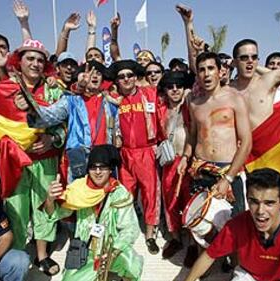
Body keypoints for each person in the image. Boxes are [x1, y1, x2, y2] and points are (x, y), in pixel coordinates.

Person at [0, 39, 65, 276]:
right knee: (16, 210)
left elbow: (65, 124)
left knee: (45, 207)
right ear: (18, 62)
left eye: (40, 59)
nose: (36, 63)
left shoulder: (54, 90)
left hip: (46, 159)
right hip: (14, 162)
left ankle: (42, 256)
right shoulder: (4, 89)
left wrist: (53, 139)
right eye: (30, 58)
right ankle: (18, 257)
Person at [177, 52, 252, 268]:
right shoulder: (195, 103)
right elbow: (193, 134)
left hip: (227, 171)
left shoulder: (234, 98)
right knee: (201, 222)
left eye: (211, 68)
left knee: (234, 223)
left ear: (220, 71)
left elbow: (246, 142)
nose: (206, 73)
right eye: (201, 69)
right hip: (201, 169)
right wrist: (185, 156)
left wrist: (228, 178)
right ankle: (206, 265)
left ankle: (236, 270)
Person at [43, 145, 142, 281]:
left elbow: (130, 229)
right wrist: (50, 199)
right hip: (86, 253)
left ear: (110, 170)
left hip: (112, 250)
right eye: (93, 167)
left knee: (131, 263)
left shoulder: (120, 193)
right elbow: (55, 214)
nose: (97, 172)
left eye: (102, 167)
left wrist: (113, 252)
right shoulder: (78, 189)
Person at [19, 60, 119, 182]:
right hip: (79, 159)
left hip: (103, 160)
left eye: (98, 73)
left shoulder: (111, 104)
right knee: (77, 198)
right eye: (89, 73)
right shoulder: (71, 100)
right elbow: (50, 115)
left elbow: (117, 131)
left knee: (104, 198)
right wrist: (30, 107)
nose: (94, 76)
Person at [109, 59, 165, 254]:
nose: (126, 79)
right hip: (124, 154)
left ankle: (150, 235)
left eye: (130, 75)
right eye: (121, 76)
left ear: (136, 77)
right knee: (125, 196)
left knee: (150, 194)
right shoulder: (114, 99)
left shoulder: (150, 93)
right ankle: (127, 230)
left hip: (147, 152)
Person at [157, 71, 191, 259]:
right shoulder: (160, 110)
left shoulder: (190, 105)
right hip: (169, 162)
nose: (175, 90)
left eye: (178, 86)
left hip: (189, 160)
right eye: (170, 87)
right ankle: (176, 238)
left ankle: (194, 244)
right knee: (170, 200)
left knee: (190, 201)